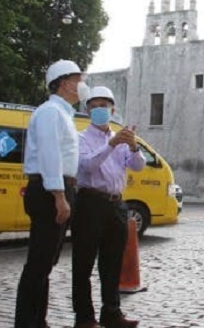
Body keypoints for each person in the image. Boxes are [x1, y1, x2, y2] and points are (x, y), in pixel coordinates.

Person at [15, 60, 90, 328]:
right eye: (78, 78)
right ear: (63, 82)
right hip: (49, 191)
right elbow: (50, 155)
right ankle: (26, 322)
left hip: (60, 188)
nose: (82, 84)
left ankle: (38, 319)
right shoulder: (50, 112)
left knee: (46, 261)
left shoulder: (64, 114)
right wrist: (59, 195)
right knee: (39, 261)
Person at [71, 87, 143, 328]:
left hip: (116, 204)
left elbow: (138, 166)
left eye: (104, 105)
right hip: (90, 202)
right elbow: (87, 166)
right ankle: (84, 318)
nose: (99, 109)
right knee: (83, 263)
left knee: (112, 263)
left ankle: (111, 313)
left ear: (113, 110)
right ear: (88, 110)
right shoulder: (80, 138)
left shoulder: (121, 138)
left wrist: (133, 146)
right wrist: (111, 144)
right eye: (94, 105)